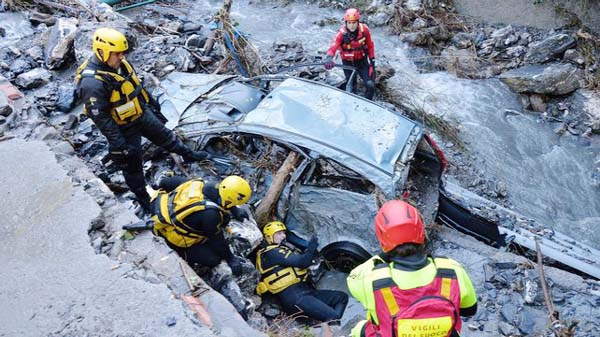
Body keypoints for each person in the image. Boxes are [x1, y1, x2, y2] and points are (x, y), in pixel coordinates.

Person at [75, 28, 211, 213]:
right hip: (122, 127)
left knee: (165, 135)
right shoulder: (92, 84)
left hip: (139, 112)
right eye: (117, 54)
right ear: (102, 52)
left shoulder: (120, 65)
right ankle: (144, 199)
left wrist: (151, 104)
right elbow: (102, 119)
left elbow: (135, 86)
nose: (122, 57)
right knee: (132, 164)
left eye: (123, 53)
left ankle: (188, 154)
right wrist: (119, 144)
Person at [347, 200, 477, 337]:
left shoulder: (370, 278)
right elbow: (469, 310)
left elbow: (353, 276)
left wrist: (385, 253)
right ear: (421, 232)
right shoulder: (452, 269)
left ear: (382, 238)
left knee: (360, 329)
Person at [150, 174, 252, 276]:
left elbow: (165, 182)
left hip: (161, 209)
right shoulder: (210, 215)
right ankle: (180, 252)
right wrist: (231, 259)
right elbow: (217, 241)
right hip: (172, 235)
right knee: (214, 259)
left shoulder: (198, 184)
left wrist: (235, 210)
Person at [255, 221, 348, 323]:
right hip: (294, 297)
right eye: (278, 233)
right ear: (269, 236)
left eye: (283, 232)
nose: (283, 236)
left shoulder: (282, 249)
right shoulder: (270, 253)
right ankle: (332, 325)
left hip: (307, 292)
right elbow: (302, 262)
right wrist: (311, 247)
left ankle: (325, 323)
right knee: (333, 317)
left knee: (341, 297)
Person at [324, 8, 376, 99]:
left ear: (358, 22)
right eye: (349, 23)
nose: (352, 26)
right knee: (351, 86)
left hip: (362, 62)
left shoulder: (365, 30)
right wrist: (329, 58)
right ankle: (353, 99)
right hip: (347, 63)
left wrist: (372, 62)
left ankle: (368, 102)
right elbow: (333, 47)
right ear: (346, 23)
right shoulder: (341, 33)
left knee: (370, 85)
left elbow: (370, 46)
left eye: (354, 23)